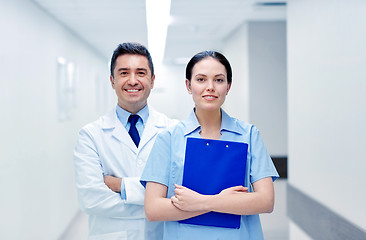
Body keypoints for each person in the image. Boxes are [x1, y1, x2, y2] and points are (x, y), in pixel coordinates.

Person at [140, 51, 279, 239]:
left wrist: (202, 202)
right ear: (189, 86)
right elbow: (153, 209)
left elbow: (266, 201)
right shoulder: (169, 139)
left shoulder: (248, 135)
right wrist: (224, 202)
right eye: (201, 79)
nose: (210, 87)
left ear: (228, 86)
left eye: (219, 80)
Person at [74, 42, 177, 240]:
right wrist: (157, 203)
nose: (132, 80)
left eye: (140, 73)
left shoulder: (173, 130)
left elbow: (181, 192)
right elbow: (91, 200)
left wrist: (121, 186)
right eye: (123, 73)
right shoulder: (91, 135)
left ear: (152, 80)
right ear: (112, 81)